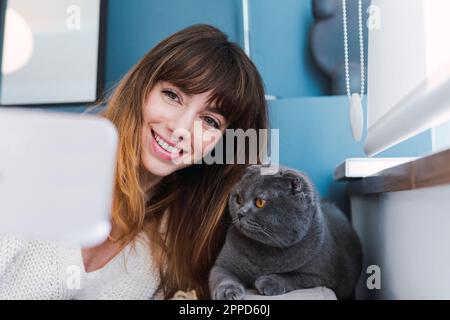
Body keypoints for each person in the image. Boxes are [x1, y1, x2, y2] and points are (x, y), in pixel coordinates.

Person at [0, 24, 268, 299]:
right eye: (172, 96)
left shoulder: (173, 243)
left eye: (209, 121)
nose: (180, 128)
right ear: (143, 88)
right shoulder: (34, 165)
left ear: (223, 142)